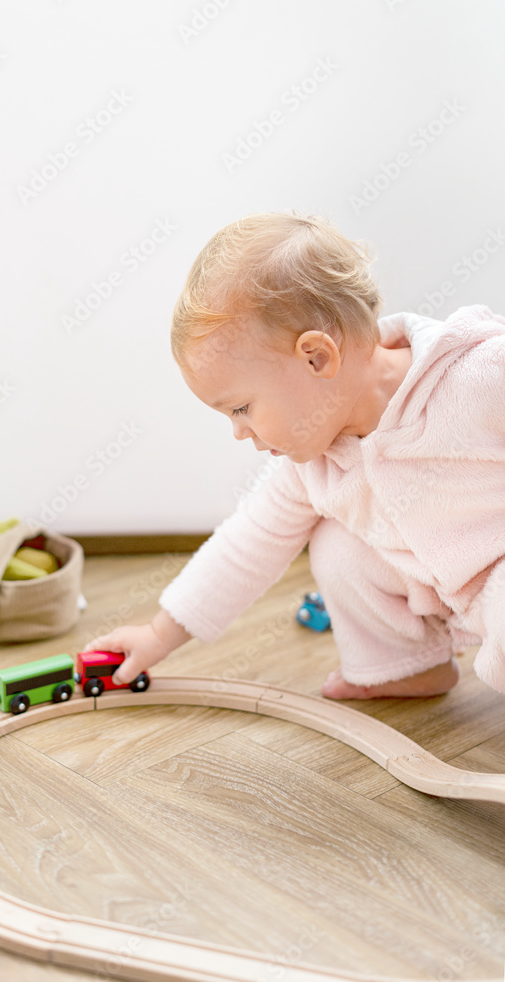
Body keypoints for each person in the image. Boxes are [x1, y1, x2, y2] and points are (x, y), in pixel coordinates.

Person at [83, 212, 505, 699]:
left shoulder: (475, 377)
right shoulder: (310, 463)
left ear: (317, 358)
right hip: (436, 586)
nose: (239, 432)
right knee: (336, 547)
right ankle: (403, 665)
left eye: (241, 408)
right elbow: (248, 543)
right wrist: (159, 634)